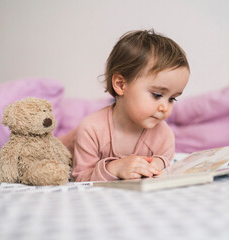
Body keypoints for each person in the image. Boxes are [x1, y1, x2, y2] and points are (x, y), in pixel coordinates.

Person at [59, 29, 190, 182]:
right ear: (121, 85)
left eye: (172, 99)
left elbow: (164, 165)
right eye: (157, 95)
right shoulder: (91, 129)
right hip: (54, 151)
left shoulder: (164, 135)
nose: (165, 107)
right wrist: (115, 168)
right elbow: (81, 178)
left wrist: (159, 164)